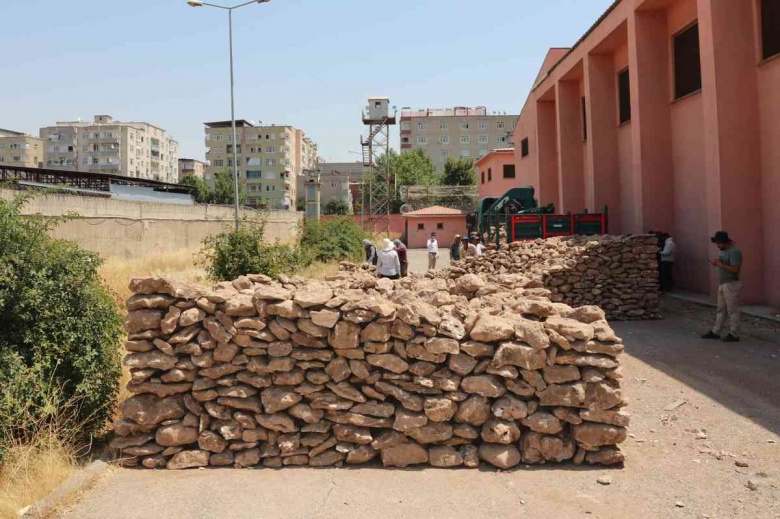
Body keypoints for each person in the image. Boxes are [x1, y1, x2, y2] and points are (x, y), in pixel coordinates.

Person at [701, 231, 743, 342]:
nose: (717, 245)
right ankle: (716, 331)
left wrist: (720, 264)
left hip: (731, 283)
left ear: (724, 242)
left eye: (718, 243)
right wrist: (717, 263)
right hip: (723, 283)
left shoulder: (734, 252)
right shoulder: (724, 251)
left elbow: (735, 269)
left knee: (732, 310)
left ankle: (734, 334)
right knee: (721, 309)